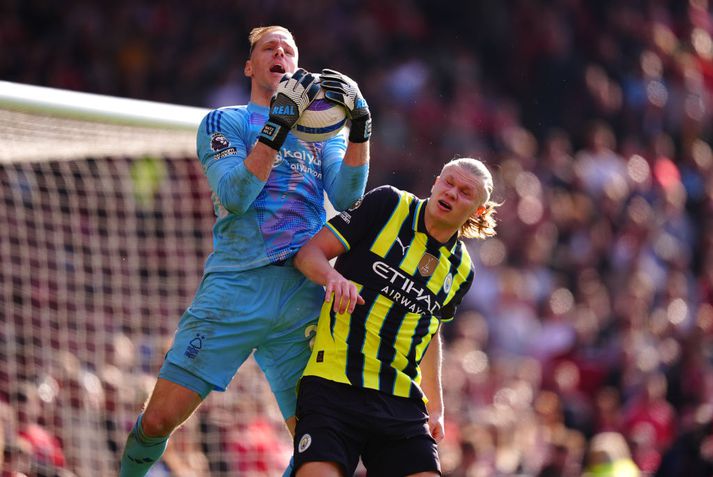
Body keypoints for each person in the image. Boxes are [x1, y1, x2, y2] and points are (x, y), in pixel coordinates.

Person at [119, 25, 371, 476]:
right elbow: (236, 195)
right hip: (236, 286)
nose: (280, 52)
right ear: (250, 66)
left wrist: (361, 128)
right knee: (158, 420)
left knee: (321, 443)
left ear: (297, 66)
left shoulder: (323, 134)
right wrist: (278, 124)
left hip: (303, 292)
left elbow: (348, 196)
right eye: (268, 47)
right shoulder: (224, 121)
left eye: (289, 49)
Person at [292, 157, 498, 477]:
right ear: (435, 182)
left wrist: (436, 406)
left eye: (465, 192)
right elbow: (308, 254)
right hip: (335, 384)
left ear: (479, 211)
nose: (451, 193)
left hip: (400, 399)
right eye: (448, 182)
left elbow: (428, 332)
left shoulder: (462, 270)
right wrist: (334, 279)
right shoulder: (388, 204)